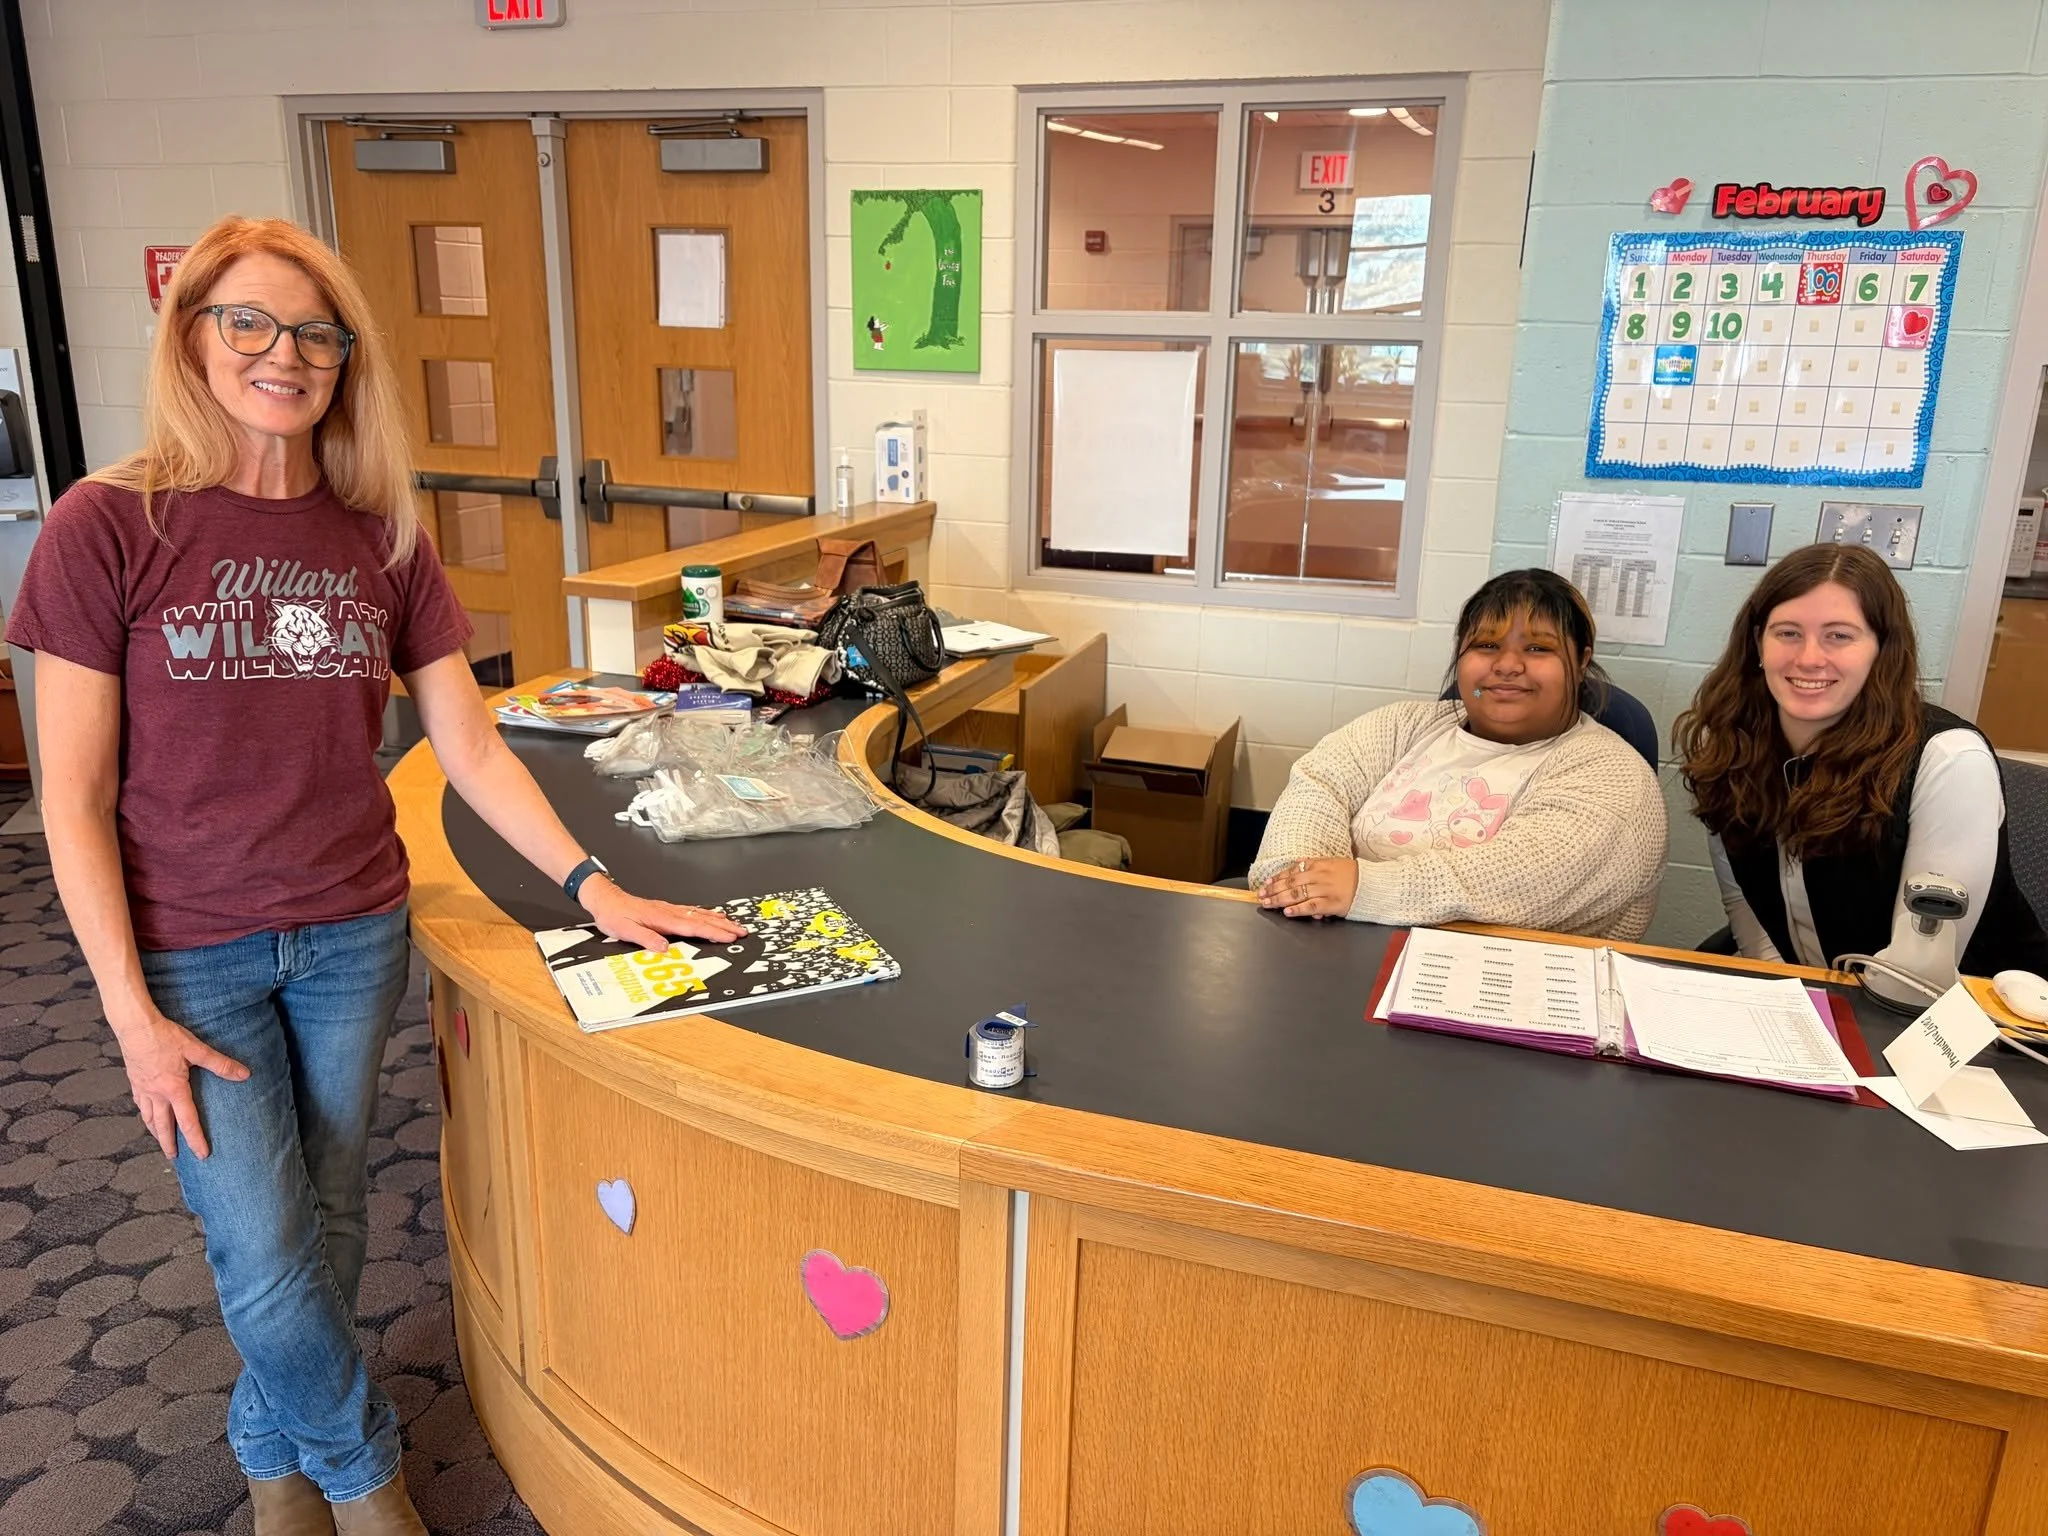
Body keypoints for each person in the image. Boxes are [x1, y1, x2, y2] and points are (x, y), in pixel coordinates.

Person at [5, 217, 744, 1536]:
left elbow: (469, 744)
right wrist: (130, 1017)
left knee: (327, 1221)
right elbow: (72, 798)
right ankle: (363, 1480)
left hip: (352, 934)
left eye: (316, 333)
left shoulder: (380, 535)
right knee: (262, 1245)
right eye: (250, 323)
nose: (283, 355)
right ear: (194, 337)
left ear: (347, 361)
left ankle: (268, 1453)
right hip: (189, 954)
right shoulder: (105, 526)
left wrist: (594, 887)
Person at [1675, 543, 2048, 976]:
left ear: (1880, 649)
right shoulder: (1729, 748)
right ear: (1758, 642)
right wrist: (1783, 994)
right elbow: (1746, 906)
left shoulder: (1950, 760)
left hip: (1977, 1021)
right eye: (1788, 632)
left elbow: (1917, 974)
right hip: (1826, 1005)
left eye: (1839, 635)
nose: (1810, 658)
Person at [1252, 569, 1667, 938]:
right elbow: (1317, 788)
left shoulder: (1613, 775)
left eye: (1538, 649)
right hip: (1331, 947)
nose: (1507, 665)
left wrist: (1361, 888)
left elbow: (1524, 879)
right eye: (1486, 645)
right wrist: (1300, 884)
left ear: (1580, 663)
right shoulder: (1401, 726)